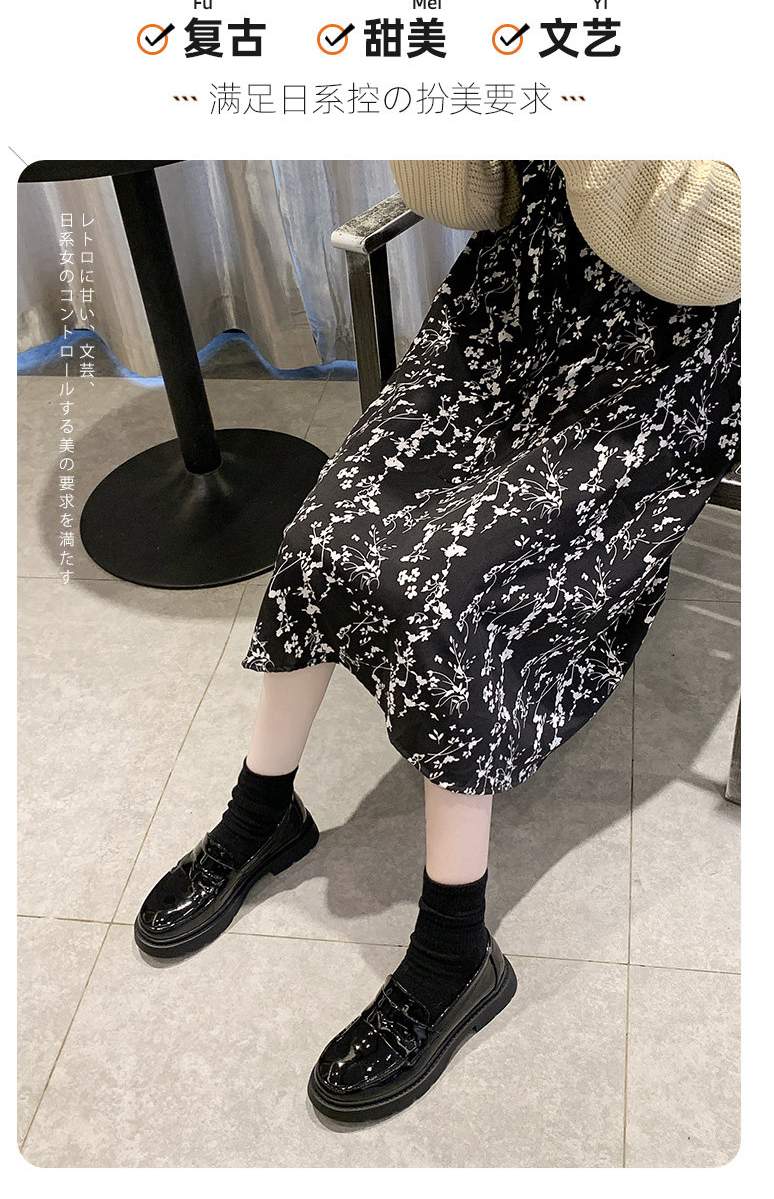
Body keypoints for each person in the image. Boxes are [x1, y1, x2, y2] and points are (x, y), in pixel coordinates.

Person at [134, 159, 741, 1125]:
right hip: (506, 322)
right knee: (321, 539)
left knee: (446, 599)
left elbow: (709, 257)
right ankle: (262, 813)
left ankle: (456, 952)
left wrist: (582, 111)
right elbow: (457, 199)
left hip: (653, 376)